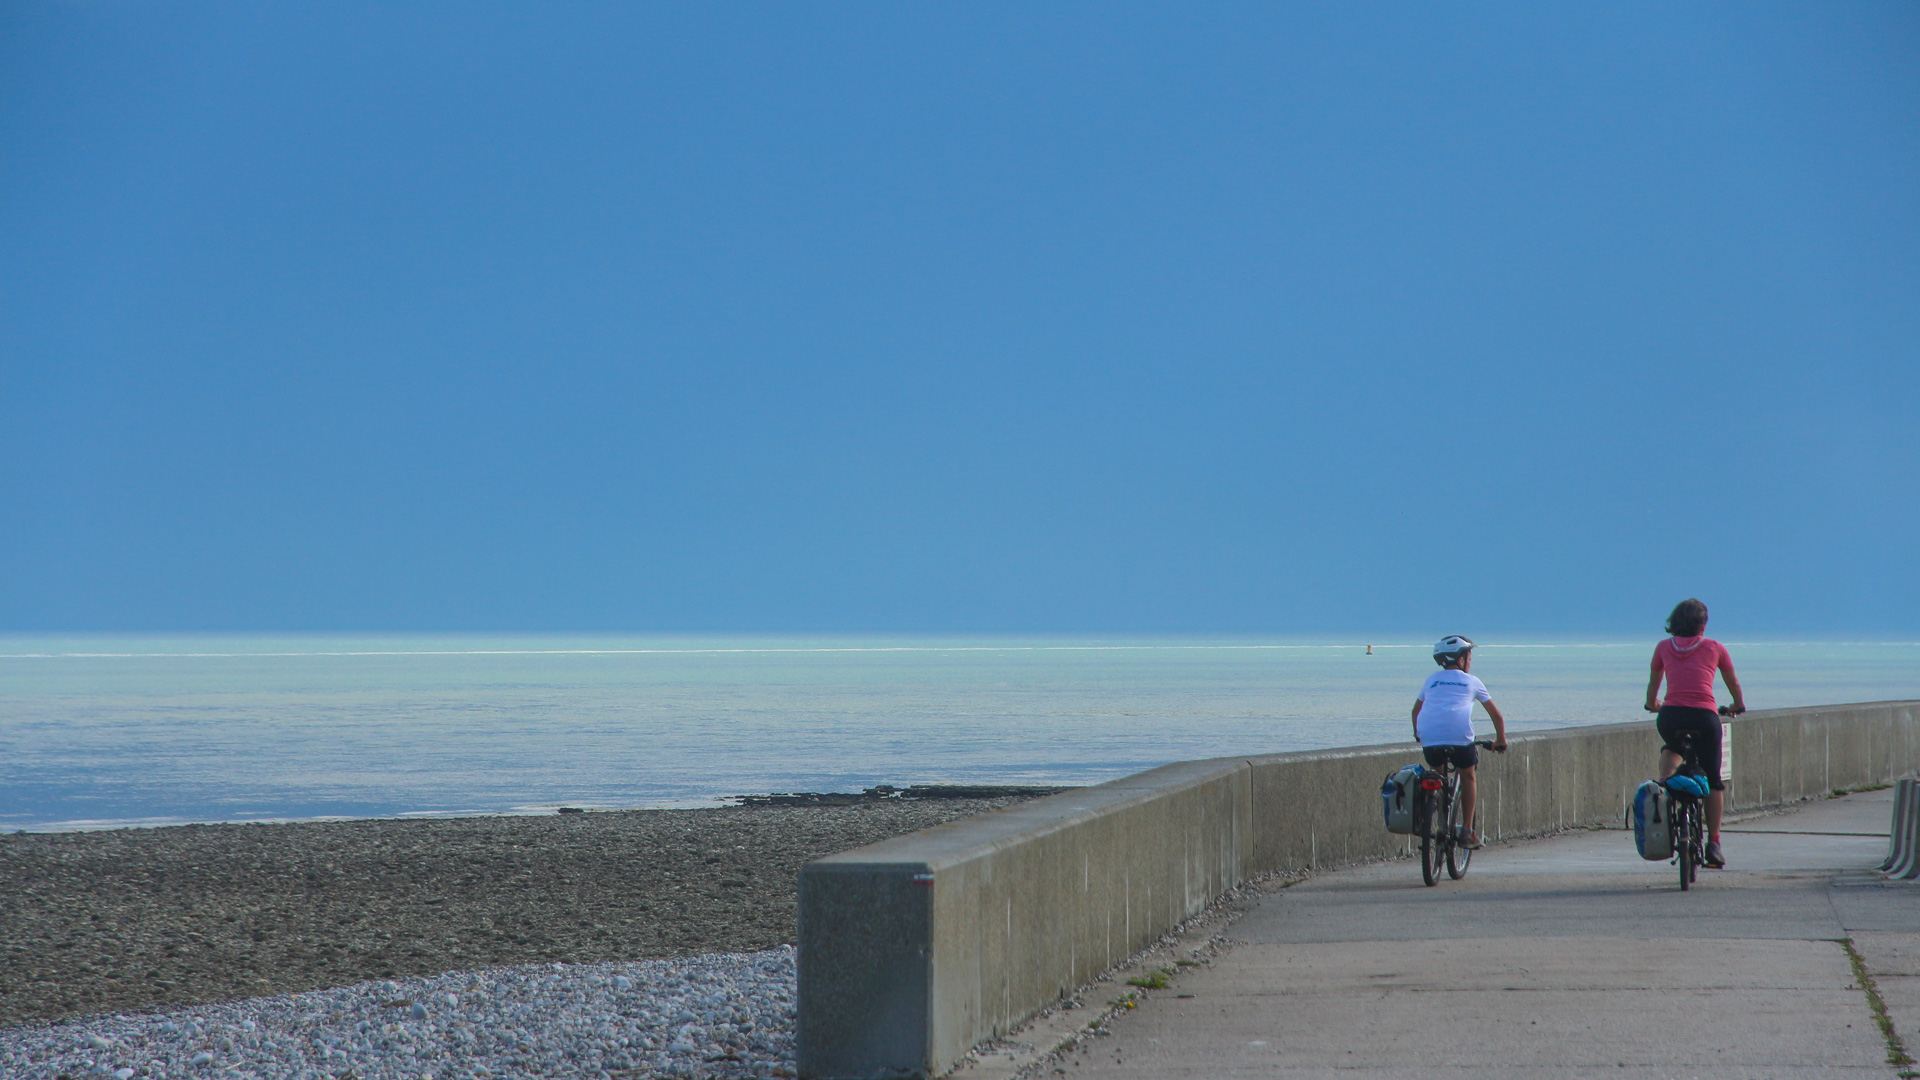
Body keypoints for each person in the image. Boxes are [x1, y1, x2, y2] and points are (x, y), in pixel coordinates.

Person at [1644, 598, 1745, 869]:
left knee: (1671, 749)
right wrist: (1737, 705)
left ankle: (1665, 793)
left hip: (1671, 716)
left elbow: (1653, 687)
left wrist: (1653, 705)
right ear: (1703, 624)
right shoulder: (1715, 647)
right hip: (1704, 718)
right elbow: (1732, 682)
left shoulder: (1663, 647)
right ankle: (1714, 843)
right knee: (1712, 781)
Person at [1412, 636, 1509, 848]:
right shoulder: (1472, 681)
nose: (1471, 663)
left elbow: (1416, 711)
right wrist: (1500, 740)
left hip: (1430, 739)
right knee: (1468, 776)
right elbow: (1497, 716)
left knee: (1436, 776)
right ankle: (1467, 831)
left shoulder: (1431, 680)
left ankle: (1434, 821)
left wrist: (1419, 735)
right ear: (1462, 659)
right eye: (1470, 658)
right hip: (1460, 740)